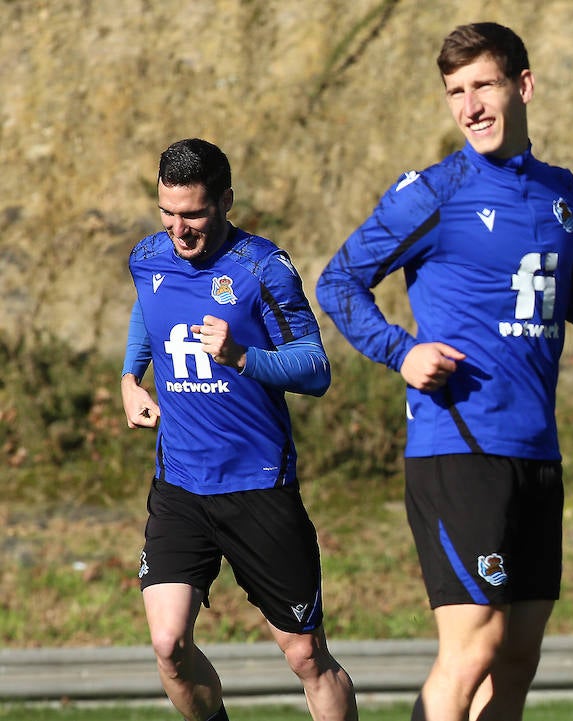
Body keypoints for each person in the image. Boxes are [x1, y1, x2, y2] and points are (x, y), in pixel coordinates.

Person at [314, 22, 573, 721]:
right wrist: (402, 351)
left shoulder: (564, 193)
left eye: (482, 84)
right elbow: (338, 282)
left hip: (536, 447)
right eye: (455, 92)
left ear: (524, 86)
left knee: (517, 656)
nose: (470, 105)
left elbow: (565, 298)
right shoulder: (433, 191)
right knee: (475, 645)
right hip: (457, 445)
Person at [121, 138, 357, 721]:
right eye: (168, 214)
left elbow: (316, 368)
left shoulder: (263, 269)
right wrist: (130, 376)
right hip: (179, 484)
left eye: (194, 214)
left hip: (256, 485)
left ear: (226, 201)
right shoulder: (148, 257)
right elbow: (149, 312)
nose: (179, 229)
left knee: (305, 655)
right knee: (168, 646)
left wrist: (243, 357)